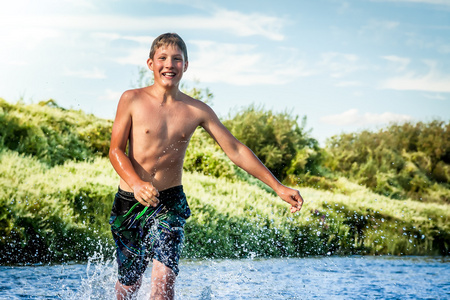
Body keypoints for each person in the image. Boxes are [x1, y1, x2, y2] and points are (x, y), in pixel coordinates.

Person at [108, 32, 304, 300]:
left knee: (163, 286)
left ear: (185, 66)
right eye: (162, 58)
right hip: (130, 200)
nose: (169, 64)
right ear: (150, 63)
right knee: (129, 287)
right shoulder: (131, 99)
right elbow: (116, 150)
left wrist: (278, 187)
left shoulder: (196, 110)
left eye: (177, 59)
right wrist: (137, 183)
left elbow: (234, 149)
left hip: (169, 202)